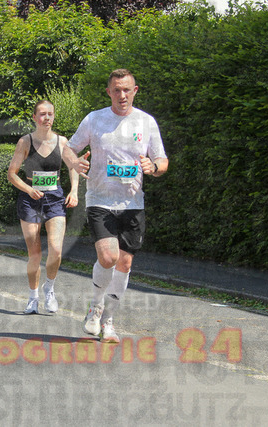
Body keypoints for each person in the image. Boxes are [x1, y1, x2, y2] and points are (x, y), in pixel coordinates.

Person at [64, 69, 168, 342]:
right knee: (108, 257)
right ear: (109, 92)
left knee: (125, 262)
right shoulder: (94, 119)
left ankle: (108, 320)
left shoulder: (146, 122)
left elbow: (162, 160)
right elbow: (68, 148)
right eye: (117, 90)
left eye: (127, 90)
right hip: (100, 200)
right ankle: (95, 307)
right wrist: (75, 162)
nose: (122, 95)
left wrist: (154, 166)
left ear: (135, 91)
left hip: (133, 202)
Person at [7, 100, 79, 314]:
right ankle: (33, 297)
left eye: (50, 114)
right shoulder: (25, 142)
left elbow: (73, 166)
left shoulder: (62, 141)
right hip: (30, 199)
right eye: (42, 114)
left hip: (55, 198)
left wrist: (74, 190)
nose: (46, 118)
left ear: (54, 117)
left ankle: (50, 289)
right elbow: (12, 174)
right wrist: (28, 189)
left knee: (56, 249)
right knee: (35, 254)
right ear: (34, 117)